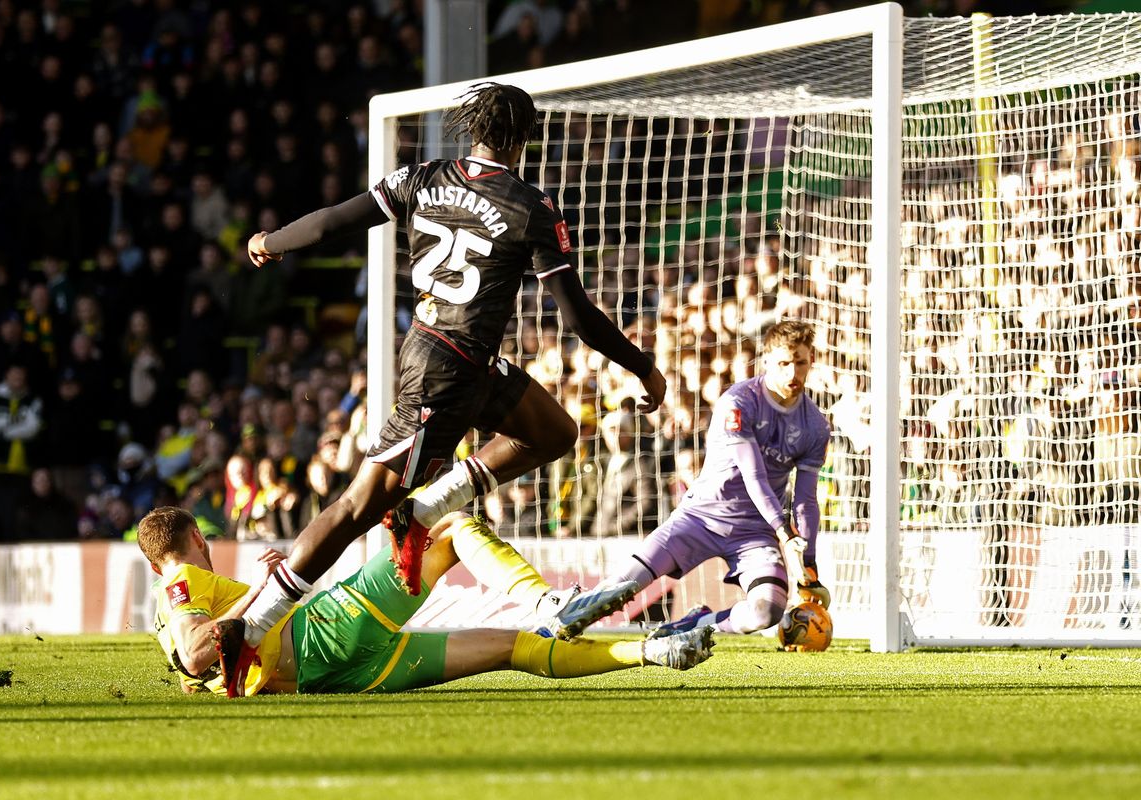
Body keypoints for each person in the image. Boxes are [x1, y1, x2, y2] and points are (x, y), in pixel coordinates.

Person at [236, 82, 665, 695]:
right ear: (527, 136)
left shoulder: (423, 177)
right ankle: (254, 628)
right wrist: (643, 365)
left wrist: (270, 241)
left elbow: (336, 221)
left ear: (471, 128)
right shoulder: (531, 207)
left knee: (553, 431)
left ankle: (426, 509)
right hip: (447, 372)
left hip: (458, 359)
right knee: (358, 507)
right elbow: (577, 319)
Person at [136, 506, 713, 698]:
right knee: (454, 528)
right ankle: (546, 602)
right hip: (327, 630)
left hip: (344, 676)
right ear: (192, 540)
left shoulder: (162, 614)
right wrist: (264, 591)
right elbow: (195, 653)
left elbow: (197, 665)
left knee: (513, 650)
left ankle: (650, 652)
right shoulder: (183, 579)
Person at [552, 320, 833, 640]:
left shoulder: (815, 426)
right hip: (699, 518)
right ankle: (551, 631)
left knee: (766, 612)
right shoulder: (739, 401)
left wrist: (808, 564)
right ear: (766, 360)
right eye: (784, 363)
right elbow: (752, 474)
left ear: (812, 360)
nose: (792, 373)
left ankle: (694, 624)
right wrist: (784, 531)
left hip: (755, 534)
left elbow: (806, 501)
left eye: (800, 362)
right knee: (619, 590)